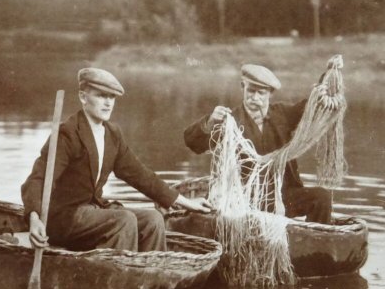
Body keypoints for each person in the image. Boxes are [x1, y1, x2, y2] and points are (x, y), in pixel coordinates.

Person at [22, 67, 212, 252]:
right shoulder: (67, 134)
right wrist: (34, 217)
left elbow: (142, 176)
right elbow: (38, 178)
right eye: (101, 96)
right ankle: (123, 278)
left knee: (153, 219)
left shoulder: (112, 135)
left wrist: (187, 202)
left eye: (111, 97)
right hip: (64, 219)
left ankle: (151, 276)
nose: (108, 103)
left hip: (94, 213)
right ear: (83, 97)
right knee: (124, 219)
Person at [183, 63, 332, 224]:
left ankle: (315, 243)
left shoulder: (283, 114)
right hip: (244, 198)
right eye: (250, 91)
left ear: (270, 94)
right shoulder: (230, 120)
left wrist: (327, 80)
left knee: (321, 197)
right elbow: (193, 143)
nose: (255, 98)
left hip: (282, 196)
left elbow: (310, 107)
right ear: (242, 87)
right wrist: (211, 121)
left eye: (261, 93)